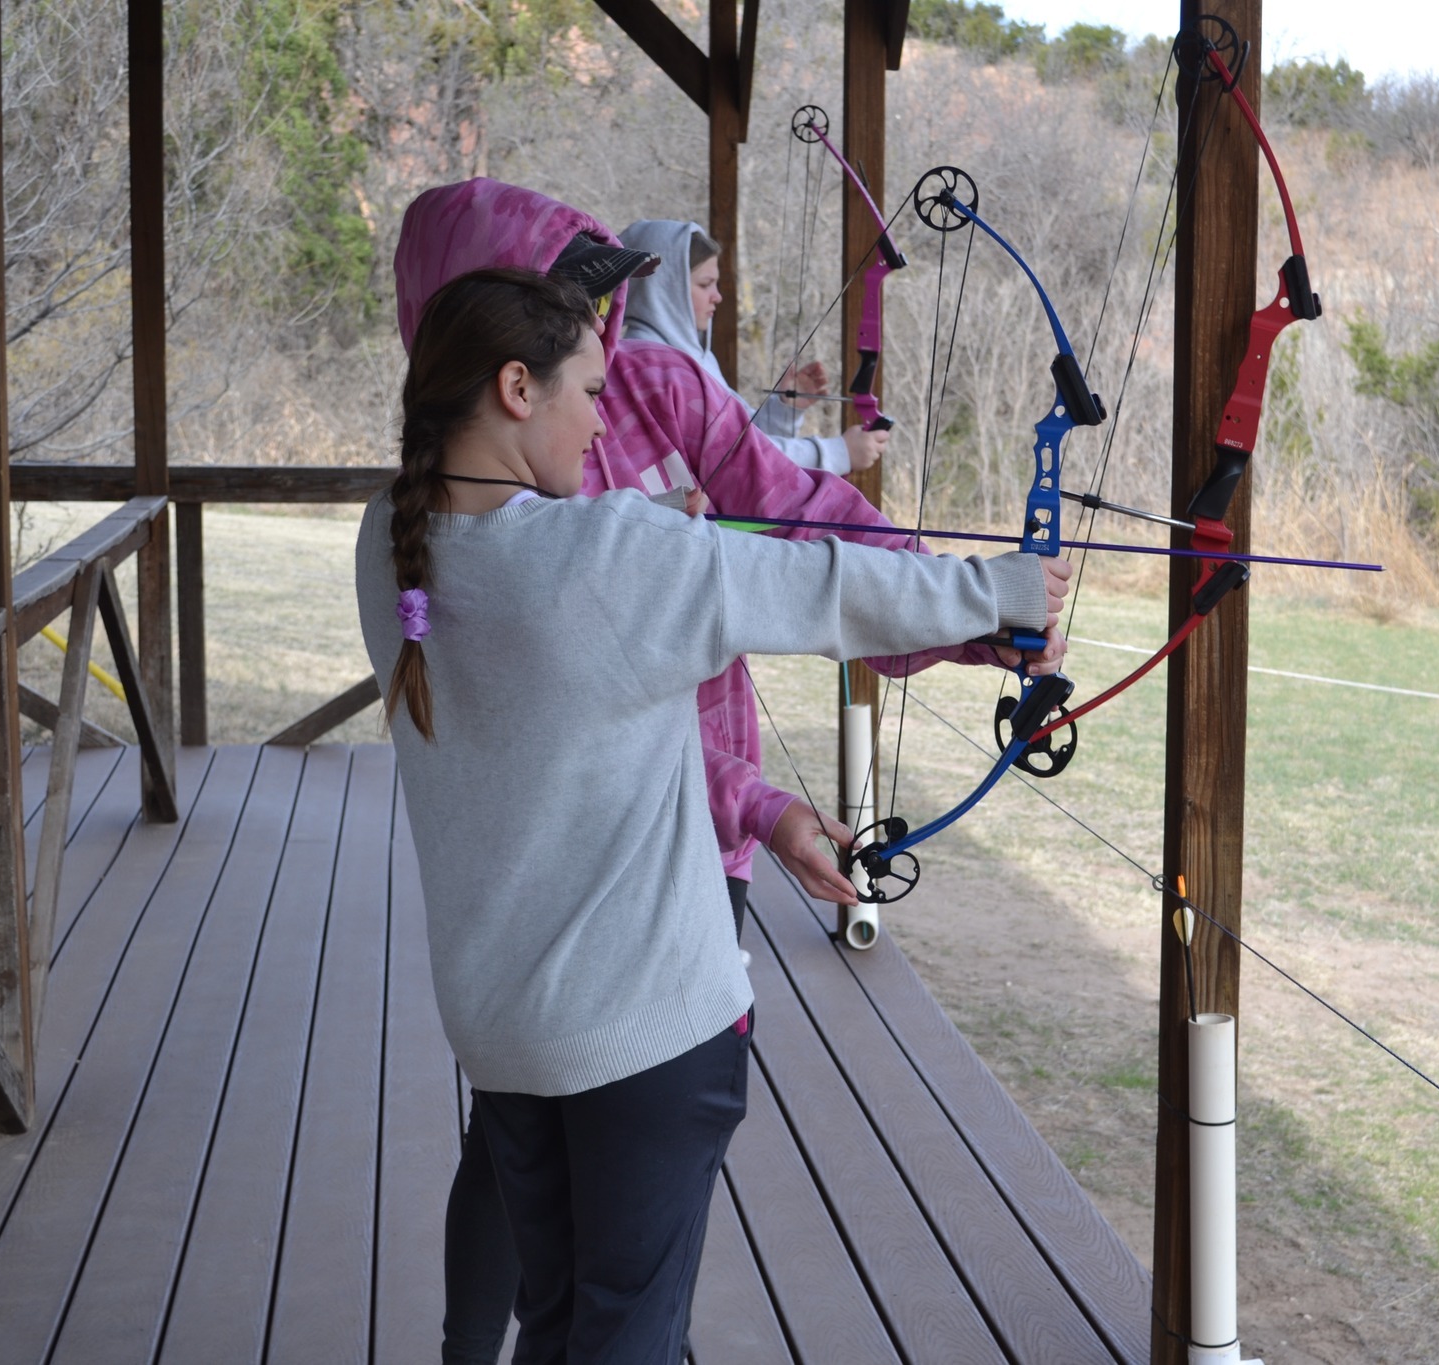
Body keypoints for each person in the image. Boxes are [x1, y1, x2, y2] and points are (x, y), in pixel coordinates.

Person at [390, 178, 1060, 1365]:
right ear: (499, 362)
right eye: (569, 335)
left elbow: (797, 523)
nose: (605, 368)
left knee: (563, 1295)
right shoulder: (609, 549)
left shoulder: (397, 540)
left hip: (517, 992)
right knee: (615, 1313)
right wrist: (995, 601)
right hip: (645, 998)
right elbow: (790, 586)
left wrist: (756, 801)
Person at [617, 218, 888, 477]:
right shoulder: (652, 364)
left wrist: (784, 410)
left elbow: (739, 435)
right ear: (664, 289)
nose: (717, 296)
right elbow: (736, 456)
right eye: (705, 284)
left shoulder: (693, 355)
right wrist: (838, 453)